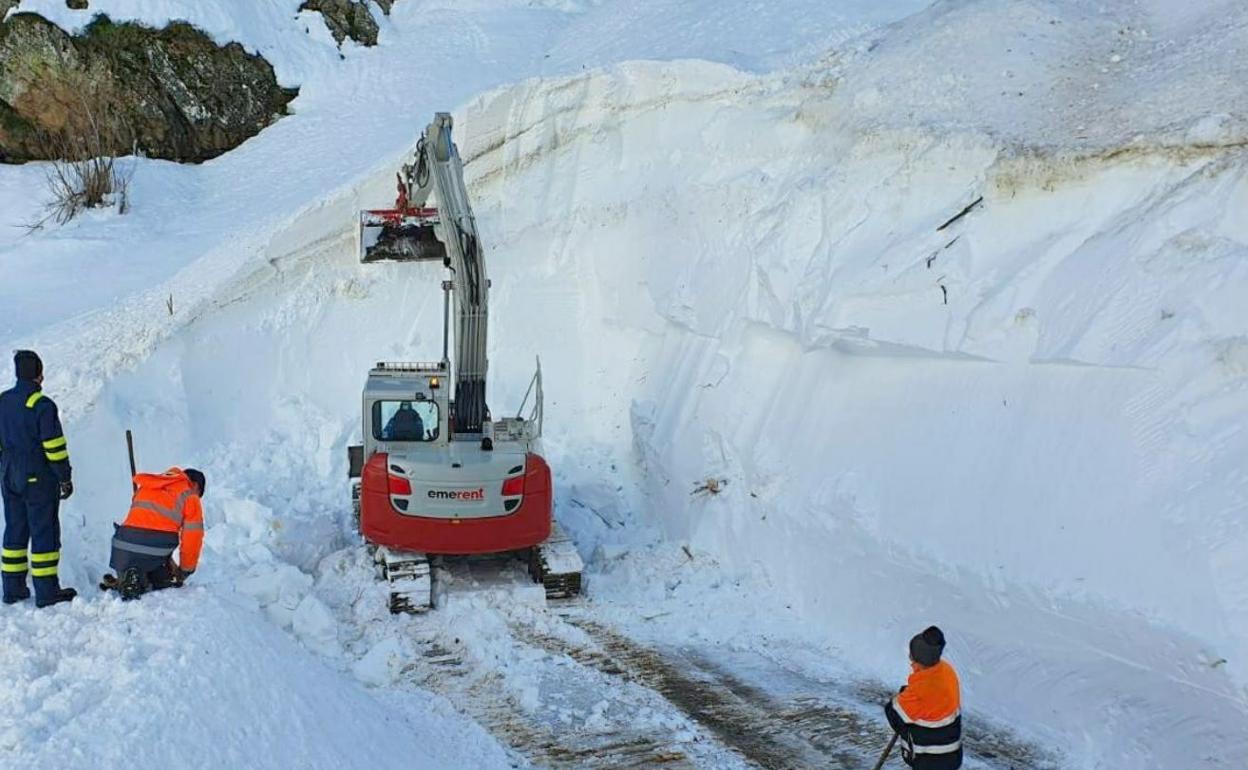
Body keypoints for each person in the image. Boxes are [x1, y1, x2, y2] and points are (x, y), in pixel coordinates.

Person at [0, 351, 77, 607]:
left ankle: (13, 590)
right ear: (39, 374)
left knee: (14, 533)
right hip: (38, 478)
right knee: (44, 532)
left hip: (9, 476)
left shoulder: (4, 401)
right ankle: (46, 593)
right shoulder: (42, 406)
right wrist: (64, 477)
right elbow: (54, 447)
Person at [107, 467, 205, 600]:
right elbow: (192, 538)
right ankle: (139, 580)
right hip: (156, 546)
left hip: (122, 545)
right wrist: (185, 570)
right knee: (163, 581)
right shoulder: (189, 495)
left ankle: (128, 578)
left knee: (142, 567)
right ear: (195, 485)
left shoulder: (148, 485)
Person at [884, 625, 963, 769]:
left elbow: (894, 714)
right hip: (952, 754)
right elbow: (932, 699)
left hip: (930, 760)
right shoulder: (946, 670)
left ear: (919, 660)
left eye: (912, 656)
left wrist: (902, 697)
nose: (910, 660)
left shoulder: (921, 690)